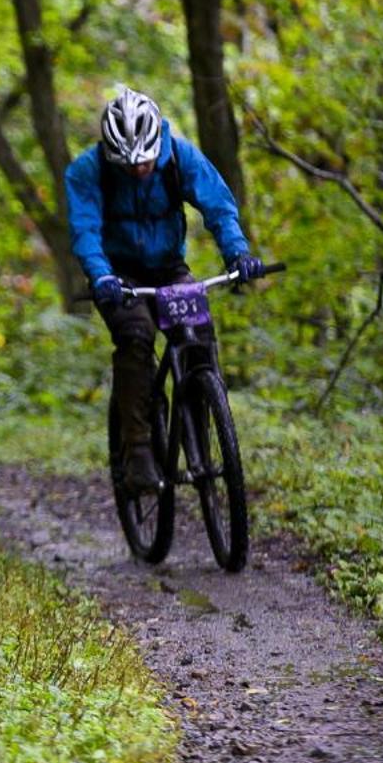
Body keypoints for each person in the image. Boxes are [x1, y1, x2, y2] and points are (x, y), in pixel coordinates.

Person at [66, 88, 264, 495]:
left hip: (169, 267)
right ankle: (138, 450)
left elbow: (218, 206)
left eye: (145, 162)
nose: (139, 170)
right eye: (128, 165)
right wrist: (102, 277)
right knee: (135, 335)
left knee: (197, 335)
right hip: (117, 273)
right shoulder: (87, 171)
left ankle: (201, 430)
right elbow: (85, 231)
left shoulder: (179, 155)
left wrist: (238, 253)